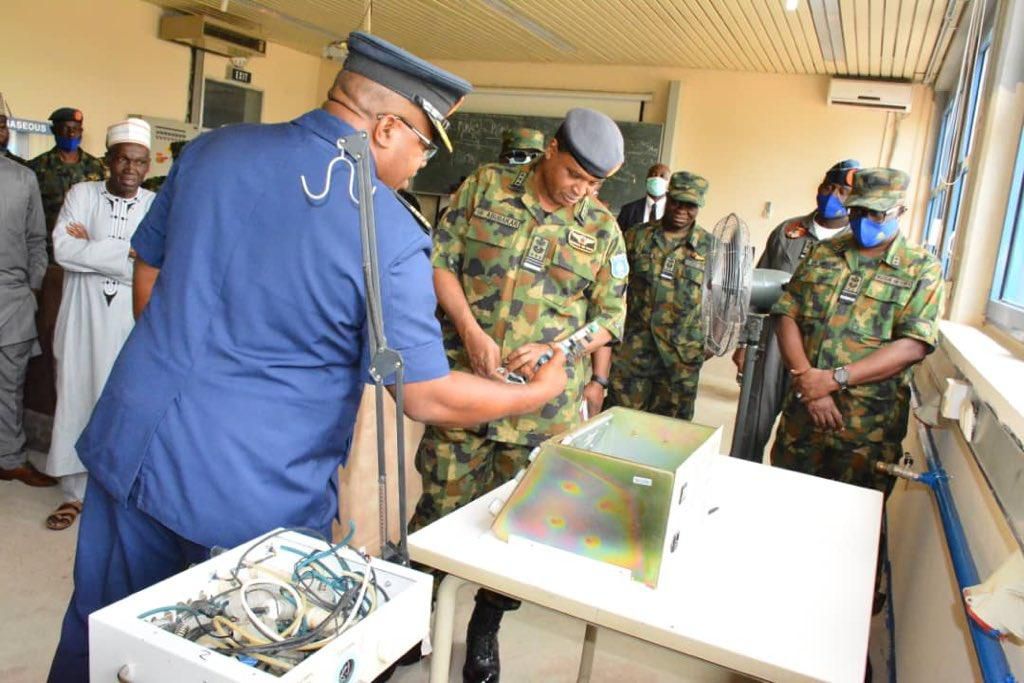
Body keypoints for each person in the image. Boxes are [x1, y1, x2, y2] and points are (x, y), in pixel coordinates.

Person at [47, 32, 568, 682]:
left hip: (133, 446)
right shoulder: (387, 231)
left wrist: (181, 357)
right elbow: (426, 395)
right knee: (232, 660)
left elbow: (147, 266)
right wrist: (538, 392)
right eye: (422, 144)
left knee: (100, 641)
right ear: (384, 128)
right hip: (249, 497)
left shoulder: (213, 151)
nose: (421, 164)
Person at [410, 107, 628, 682]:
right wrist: (470, 331)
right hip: (466, 384)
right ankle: (417, 616)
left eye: (595, 184)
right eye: (576, 175)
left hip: (540, 408)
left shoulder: (602, 228)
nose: (582, 191)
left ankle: (485, 627)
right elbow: (441, 261)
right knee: (439, 504)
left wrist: (563, 348)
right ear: (552, 150)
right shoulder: (485, 186)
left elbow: (609, 318)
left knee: (515, 523)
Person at [770, 168, 944, 494]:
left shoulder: (921, 269)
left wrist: (834, 379)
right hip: (803, 414)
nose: (864, 220)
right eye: (858, 211)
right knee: (785, 506)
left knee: (851, 528)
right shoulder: (825, 253)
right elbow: (786, 313)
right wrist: (808, 377)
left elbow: (913, 345)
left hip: (865, 432)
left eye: (876, 214)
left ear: (899, 211)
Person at [42, 119, 155, 531]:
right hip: (80, 318)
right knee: (74, 394)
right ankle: (73, 495)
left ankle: (112, 493)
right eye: (123, 158)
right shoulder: (81, 193)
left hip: (129, 322)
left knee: (122, 403)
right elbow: (64, 250)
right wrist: (128, 254)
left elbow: (159, 265)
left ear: (147, 166)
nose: (131, 168)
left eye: (139, 162)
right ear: (108, 160)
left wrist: (93, 245)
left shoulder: (154, 205)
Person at [731, 159, 860, 462]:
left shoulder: (854, 244)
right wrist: (741, 342)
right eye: (829, 186)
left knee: (806, 439)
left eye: (843, 190)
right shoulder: (788, 232)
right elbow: (755, 285)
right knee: (752, 424)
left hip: (822, 353)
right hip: (772, 344)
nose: (833, 195)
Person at [606, 171, 713, 421]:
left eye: (690, 205)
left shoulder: (711, 249)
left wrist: (707, 346)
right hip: (633, 351)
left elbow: (724, 303)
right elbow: (614, 287)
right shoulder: (636, 237)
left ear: (699, 206)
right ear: (668, 197)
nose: (681, 210)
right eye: (676, 201)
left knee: (670, 434)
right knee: (619, 422)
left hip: (680, 360)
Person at [25, 108, 107, 420]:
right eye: (65, 129)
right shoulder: (37, 168)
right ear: (54, 130)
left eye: (76, 129)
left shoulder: (96, 167)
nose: (71, 134)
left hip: (89, 265)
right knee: (50, 333)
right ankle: (44, 404)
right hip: (49, 265)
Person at [0, 155, 53, 487]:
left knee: (11, 382)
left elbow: (37, 240)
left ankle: (9, 459)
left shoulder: (22, 178)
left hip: (13, 295)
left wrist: (32, 288)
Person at [616, 162, 670, 231]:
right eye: (653, 175)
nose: (657, 178)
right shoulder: (628, 210)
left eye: (662, 176)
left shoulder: (675, 211)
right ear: (646, 180)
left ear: (669, 184)